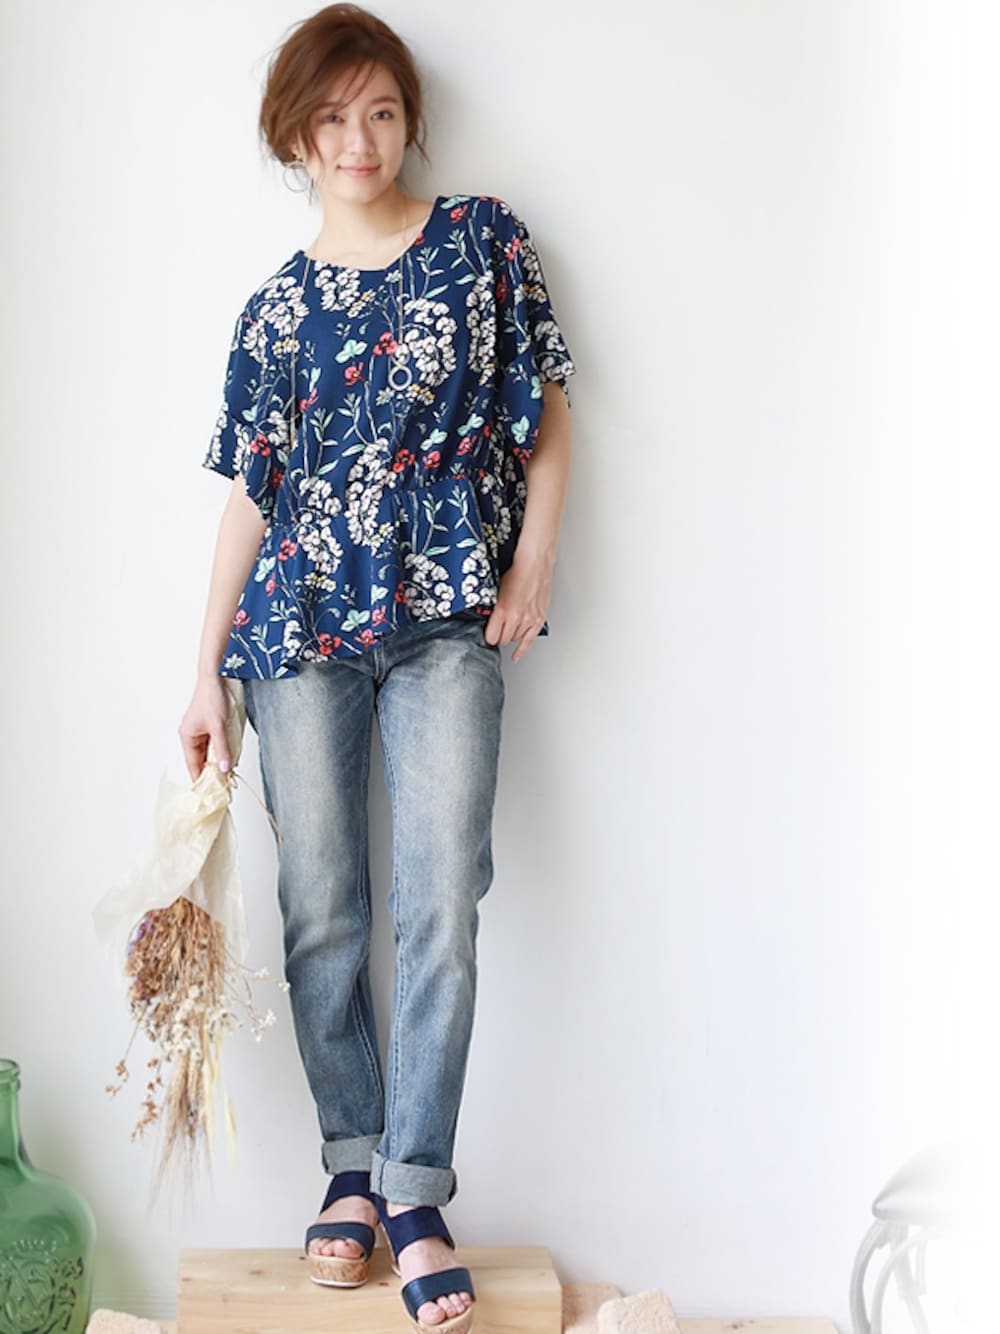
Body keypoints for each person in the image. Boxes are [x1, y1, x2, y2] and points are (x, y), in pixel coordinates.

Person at [178, 5, 575, 1331]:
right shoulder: (273, 312)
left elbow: (547, 408)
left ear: (410, 122)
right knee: (322, 907)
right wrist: (203, 673)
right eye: (332, 117)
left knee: (441, 893)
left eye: (382, 111)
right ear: (296, 136)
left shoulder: (481, 242)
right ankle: (350, 1166)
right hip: (297, 633)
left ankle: (414, 1188)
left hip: (449, 618)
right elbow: (252, 498)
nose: (359, 140)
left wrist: (534, 557)